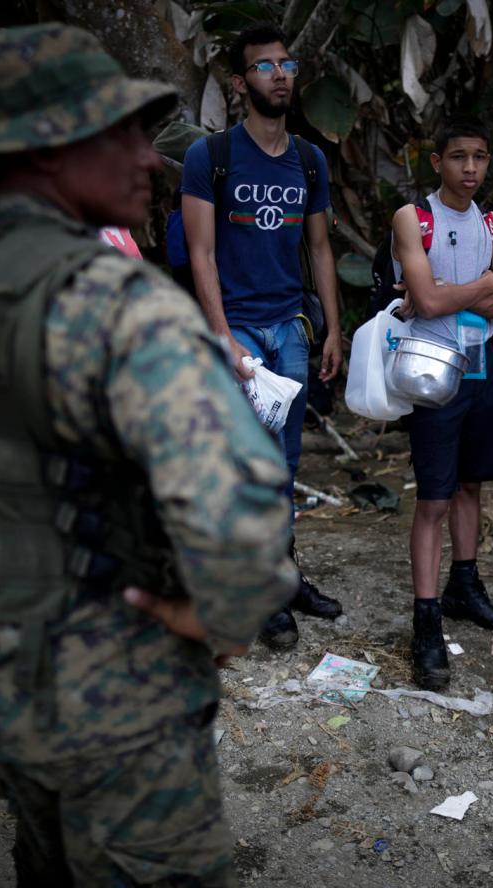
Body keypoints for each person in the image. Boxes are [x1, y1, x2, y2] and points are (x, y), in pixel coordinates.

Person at [0, 24, 298, 888]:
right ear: (39, 155)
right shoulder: (120, 307)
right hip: (124, 695)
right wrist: (217, 618)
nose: (146, 161)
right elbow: (242, 526)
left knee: (47, 855)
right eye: (114, 137)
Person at [171, 22, 344, 650]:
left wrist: (332, 328)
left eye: (288, 64)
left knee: (285, 462)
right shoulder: (210, 158)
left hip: (291, 330)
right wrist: (222, 336)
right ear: (241, 82)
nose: (280, 74)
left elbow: (320, 248)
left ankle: (285, 576)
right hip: (237, 329)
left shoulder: (309, 159)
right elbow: (201, 253)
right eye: (266, 66)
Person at [390, 118, 493, 690]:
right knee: (433, 500)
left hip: (480, 372)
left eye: (480, 156)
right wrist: (478, 290)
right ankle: (426, 622)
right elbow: (428, 297)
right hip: (431, 373)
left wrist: (449, 296)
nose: (470, 167)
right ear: (436, 160)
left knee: (471, 485)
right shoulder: (414, 219)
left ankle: (464, 585)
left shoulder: (492, 224)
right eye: (459, 156)